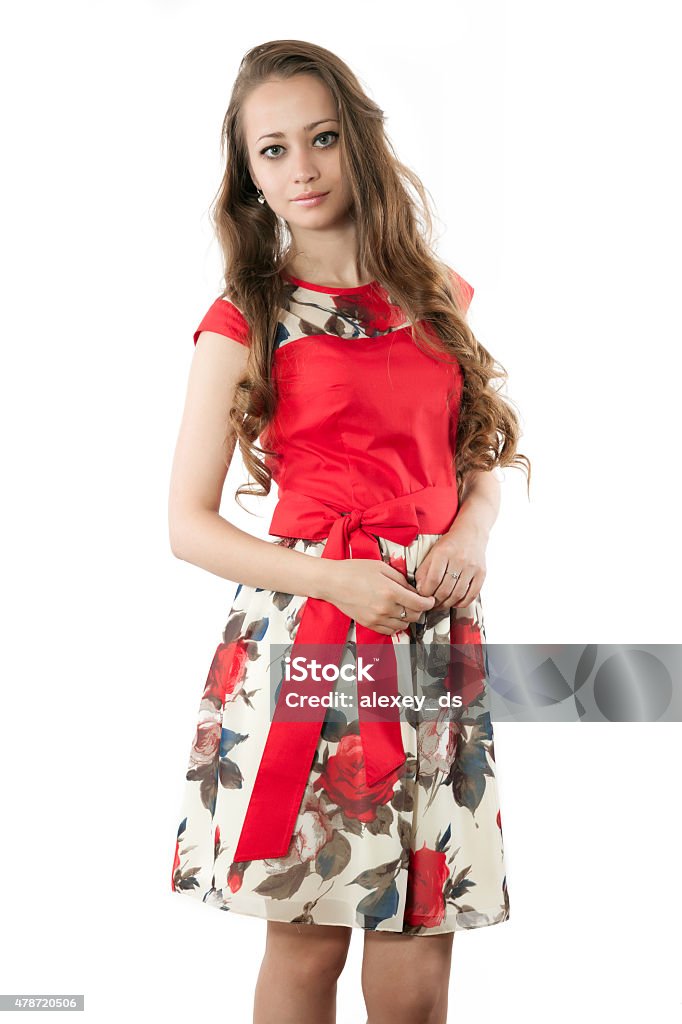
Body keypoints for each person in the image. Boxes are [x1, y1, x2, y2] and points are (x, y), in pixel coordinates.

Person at [168, 39, 531, 1024]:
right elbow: (186, 527)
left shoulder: (436, 295)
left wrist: (474, 534)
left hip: (432, 628)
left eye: (320, 139)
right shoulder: (246, 318)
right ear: (247, 174)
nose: (302, 169)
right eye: (272, 150)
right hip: (314, 633)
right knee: (309, 931)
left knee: (420, 950)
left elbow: (479, 455)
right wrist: (334, 583)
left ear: (358, 142)